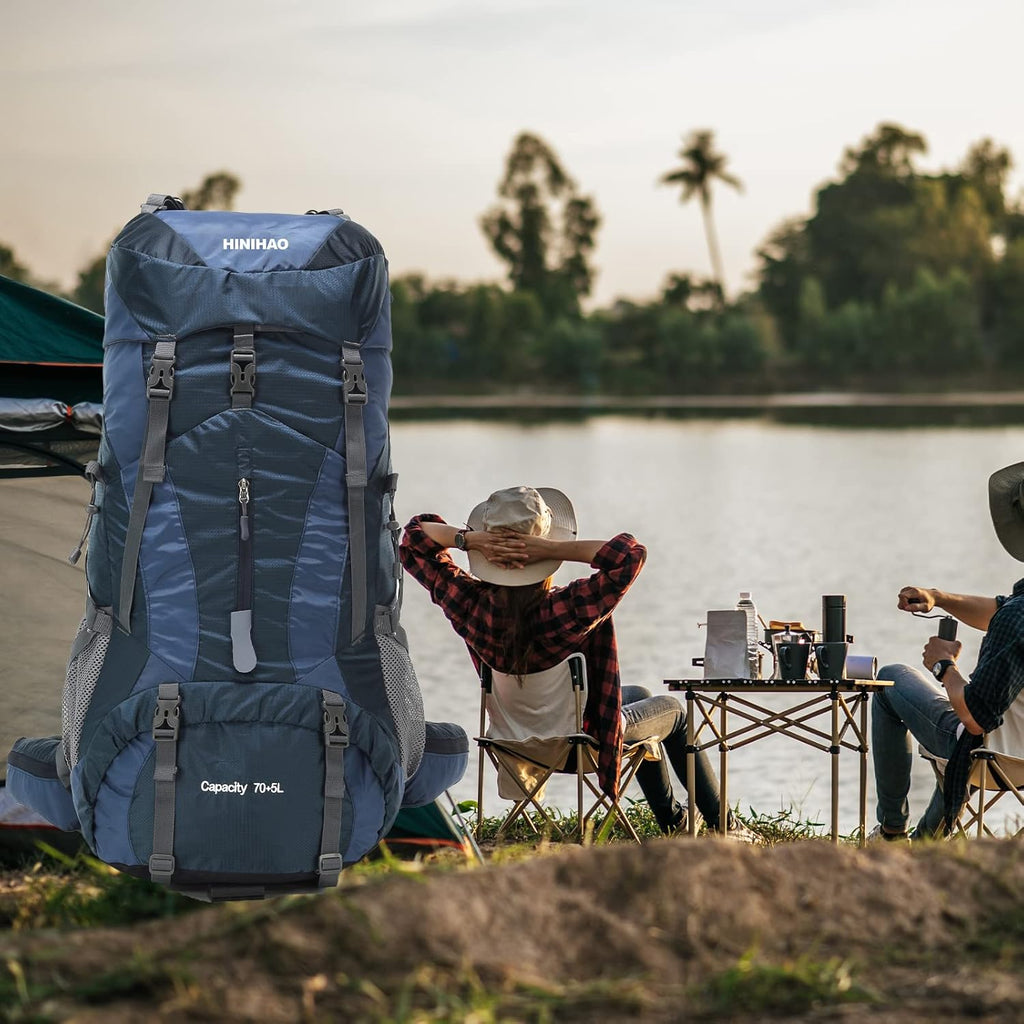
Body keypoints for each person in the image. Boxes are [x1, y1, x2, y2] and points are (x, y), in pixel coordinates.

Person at [399, 484, 736, 835]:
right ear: (542, 553)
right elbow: (630, 555)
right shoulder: (567, 608)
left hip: (515, 744)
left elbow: (414, 538)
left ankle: (675, 821)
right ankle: (723, 825)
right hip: (581, 744)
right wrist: (550, 548)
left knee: (637, 693)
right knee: (674, 713)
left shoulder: (469, 604)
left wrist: (471, 541)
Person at [872, 460, 1024, 840]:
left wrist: (944, 666)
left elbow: (975, 717)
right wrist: (937, 598)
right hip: (1014, 749)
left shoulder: (1018, 617)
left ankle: (891, 830)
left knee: (892, 680)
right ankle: (924, 842)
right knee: (976, 730)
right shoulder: (1016, 613)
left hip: (998, 758)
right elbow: (1000, 610)